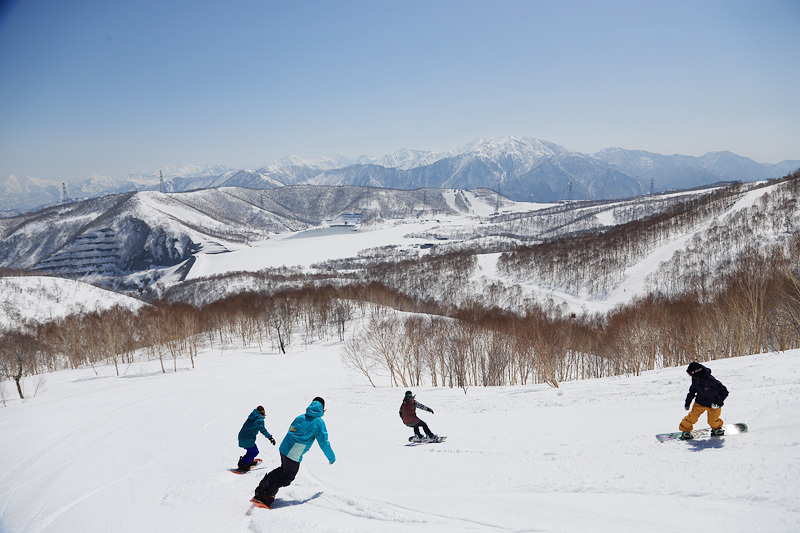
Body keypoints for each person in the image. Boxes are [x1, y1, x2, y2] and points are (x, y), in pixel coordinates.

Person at [252, 397, 335, 508]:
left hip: (284, 448)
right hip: (294, 453)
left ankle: (262, 489)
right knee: (287, 477)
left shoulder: (300, 417)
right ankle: (265, 496)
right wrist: (331, 457)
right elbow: (323, 443)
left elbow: (291, 430)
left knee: (283, 471)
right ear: (323, 409)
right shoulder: (319, 422)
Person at [679, 362, 729, 439]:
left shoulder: (710, 379)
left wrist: (718, 402)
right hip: (700, 402)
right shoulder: (695, 379)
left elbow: (724, 391)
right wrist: (687, 403)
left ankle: (717, 429)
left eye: (691, 374)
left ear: (696, 372)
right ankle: (686, 431)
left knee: (713, 420)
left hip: (713, 404)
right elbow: (692, 391)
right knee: (692, 418)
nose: (691, 376)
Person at [236, 406, 275, 473]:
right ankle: (243, 464)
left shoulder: (252, 416)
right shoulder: (259, 419)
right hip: (247, 438)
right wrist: (270, 437)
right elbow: (262, 430)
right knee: (254, 451)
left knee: (250, 450)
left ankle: (249, 461)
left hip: (242, 436)